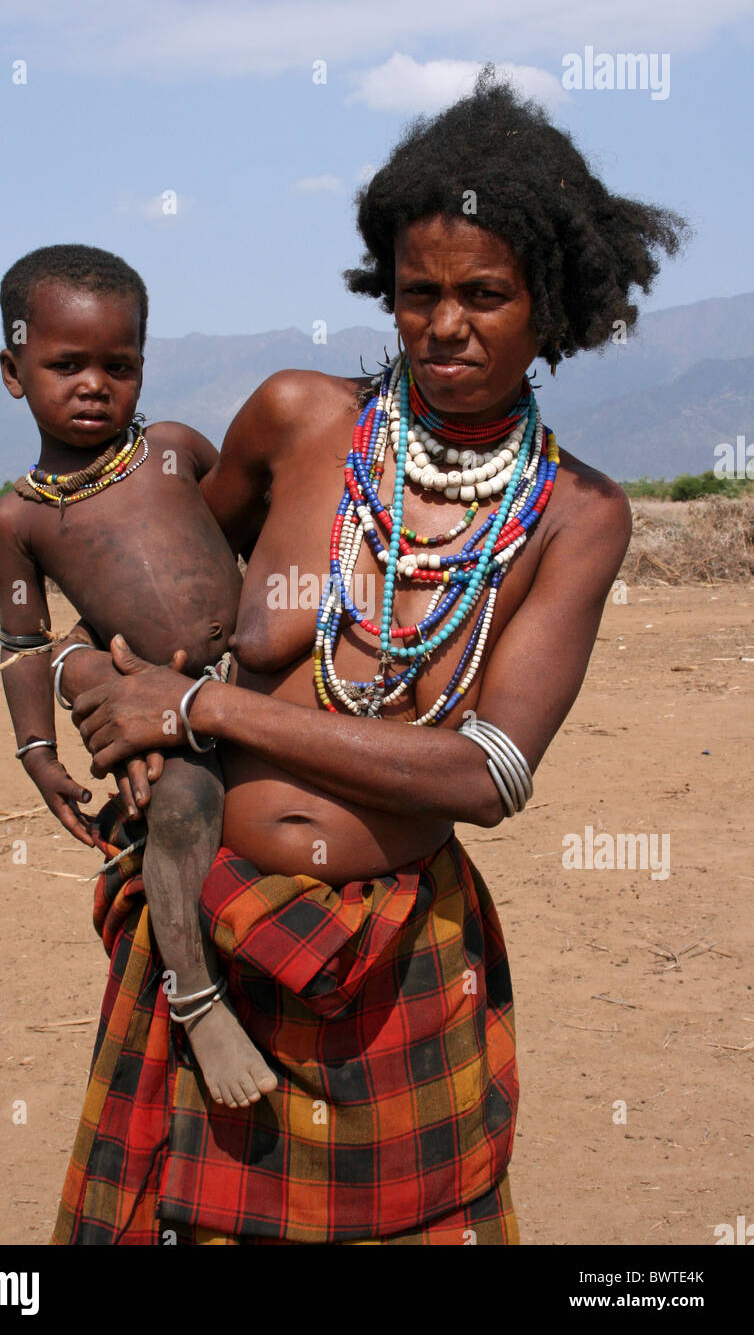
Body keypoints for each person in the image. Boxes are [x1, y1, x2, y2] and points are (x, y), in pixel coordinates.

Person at [50, 72, 688, 1245]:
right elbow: (159, 581)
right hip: (211, 936)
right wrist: (103, 684)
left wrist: (204, 713)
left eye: (485, 294)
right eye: (416, 293)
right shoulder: (299, 421)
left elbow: (486, 773)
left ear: (548, 304)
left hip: (398, 958)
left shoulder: (573, 515)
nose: (445, 325)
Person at [0, 244, 277, 1108]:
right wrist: (39, 748)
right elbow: (22, 641)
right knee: (183, 808)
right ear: (13, 371)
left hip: (255, 675)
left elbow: (265, 546)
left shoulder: (175, 452)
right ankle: (197, 997)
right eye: (64, 364)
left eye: (118, 365)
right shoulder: (20, 520)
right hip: (161, 711)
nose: (92, 385)